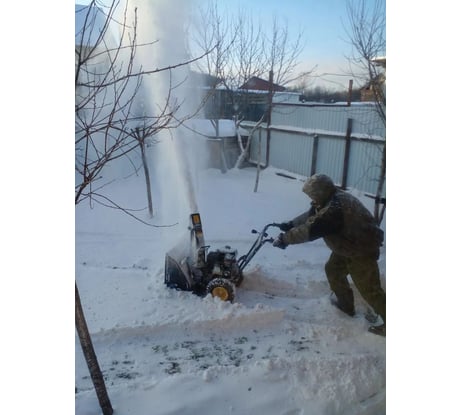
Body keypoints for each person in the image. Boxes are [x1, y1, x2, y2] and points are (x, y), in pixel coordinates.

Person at [273, 173, 386, 337]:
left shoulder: (335, 210)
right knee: (333, 270)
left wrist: (285, 239)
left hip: (361, 249)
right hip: (347, 245)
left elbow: (311, 230)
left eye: (313, 195)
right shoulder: (329, 199)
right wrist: (290, 224)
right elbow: (311, 215)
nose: (312, 199)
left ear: (321, 192)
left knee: (369, 289)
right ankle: (346, 305)